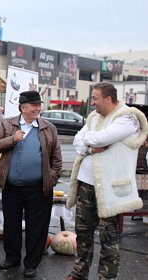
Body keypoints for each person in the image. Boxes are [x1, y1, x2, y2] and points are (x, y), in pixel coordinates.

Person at [65, 82, 148, 280]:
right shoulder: (94, 117)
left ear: (108, 99)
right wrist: (89, 146)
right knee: (83, 232)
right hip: (86, 183)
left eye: (95, 98)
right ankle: (79, 273)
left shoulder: (128, 118)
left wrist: (89, 139)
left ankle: (106, 277)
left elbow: (103, 138)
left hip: (110, 189)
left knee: (108, 236)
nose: (92, 102)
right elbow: (79, 140)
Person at [0, 90, 62, 278]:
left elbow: (57, 158)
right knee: (12, 225)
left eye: (39, 105)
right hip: (12, 187)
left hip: (38, 189)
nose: (38, 108)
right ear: (23, 107)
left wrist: (51, 178)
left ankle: (31, 263)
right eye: (34, 105)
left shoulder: (48, 128)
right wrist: (12, 139)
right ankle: (12, 258)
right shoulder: (8, 124)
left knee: (36, 228)